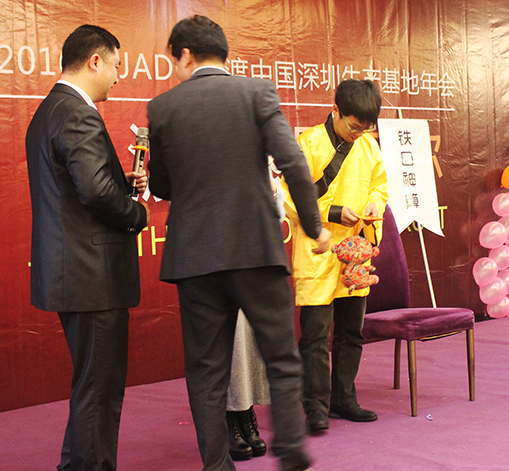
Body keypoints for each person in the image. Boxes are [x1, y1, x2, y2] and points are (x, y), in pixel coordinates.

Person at [147, 15, 330, 471]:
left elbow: (162, 186)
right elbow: (292, 162)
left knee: (206, 371)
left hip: (194, 258)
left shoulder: (163, 107)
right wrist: (314, 227)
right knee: (281, 355)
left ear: (184, 55)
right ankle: (291, 447)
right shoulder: (257, 92)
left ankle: (215, 465)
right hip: (255, 249)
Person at [25, 24, 148, 471]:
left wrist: (119, 182)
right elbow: (95, 193)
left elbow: (79, 188)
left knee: (91, 386)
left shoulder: (50, 111)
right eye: (116, 65)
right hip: (93, 276)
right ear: (95, 61)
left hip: (73, 272)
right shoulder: (78, 114)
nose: (118, 76)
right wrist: (137, 214)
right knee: (99, 390)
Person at [282, 79, 388, 434]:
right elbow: (289, 196)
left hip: (355, 251)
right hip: (319, 251)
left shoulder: (369, 147)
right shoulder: (308, 144)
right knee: (315, 336)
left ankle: (344, 398)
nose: (359, 134)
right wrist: (331, 212)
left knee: (351, 331)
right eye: (354, 126)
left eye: (365, 128)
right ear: (335, 111)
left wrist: (374, 205)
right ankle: (315, 406)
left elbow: (380, 186)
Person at [224, 166, 283, 462]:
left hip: (254, 259)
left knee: (250, 343)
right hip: (218, 261)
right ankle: (230, 419)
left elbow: (278, 214)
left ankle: (247, 414)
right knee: (232, 344)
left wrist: (272, 190)